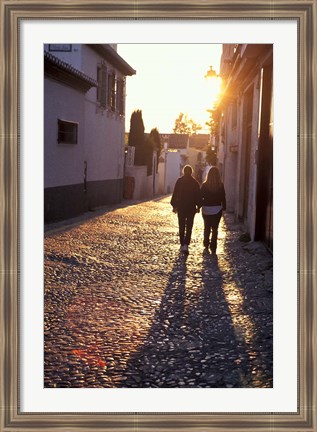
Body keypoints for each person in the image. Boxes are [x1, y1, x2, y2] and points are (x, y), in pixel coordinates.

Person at [171, 165, 201, 254]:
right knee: (189, 226)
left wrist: (174, 206)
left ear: (184, 171)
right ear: (191, 172)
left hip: (181, 207)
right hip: (191, 208)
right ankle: (186, 245)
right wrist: (198, 207)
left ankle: (182, 243)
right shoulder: (195, 182)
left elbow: (175, 194)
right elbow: (198, 196)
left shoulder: (179, 181)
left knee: (181, 225)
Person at [200, 166, 226, 254]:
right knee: (215, 229)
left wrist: (199, 206)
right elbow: (223, 197)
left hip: (206, 209)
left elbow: (200, 197)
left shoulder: (204, 185)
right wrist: (224, 207)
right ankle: (213, 246)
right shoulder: (220, 185)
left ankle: (206, 243)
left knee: (206, 227)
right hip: (217, 209)